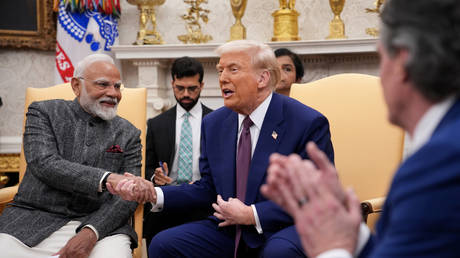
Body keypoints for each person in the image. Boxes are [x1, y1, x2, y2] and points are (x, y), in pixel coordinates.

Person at [262, 0, 460, 257]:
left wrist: (330, 246)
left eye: (381, 57)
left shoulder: (440, 164)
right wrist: (351, 233)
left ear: (402, 61)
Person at [110, 40, 334, 258]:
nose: (223, 78)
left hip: (281, 226)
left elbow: (317, 197)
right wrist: (153, 193)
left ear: (263, 78)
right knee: (165, 244)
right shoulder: (215, 123)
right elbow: (208, 188)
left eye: (233, 69)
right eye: (220, 71)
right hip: (231, 226)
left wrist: (251, 214)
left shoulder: (306, 122)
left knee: (277, 252)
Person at [0, 53, 145, 258]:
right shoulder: (44, 112)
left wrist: (91, 232)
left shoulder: (129, 133)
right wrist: (105, 178)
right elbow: (44, 163)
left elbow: (128, 196)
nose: (113, 93)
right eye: (103, 84)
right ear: (76, 86)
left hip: (101, 225)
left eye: (117, 86)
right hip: (32, 220)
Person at [143, 56, 213, 246]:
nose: (185, 94)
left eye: (192, 88)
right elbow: (146, 167)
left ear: (202, 85)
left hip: (204, 201)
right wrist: (154, 177)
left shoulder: (217, 120)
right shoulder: (157, 124)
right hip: (167, 200)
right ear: (172, 83)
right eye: (179, 88)